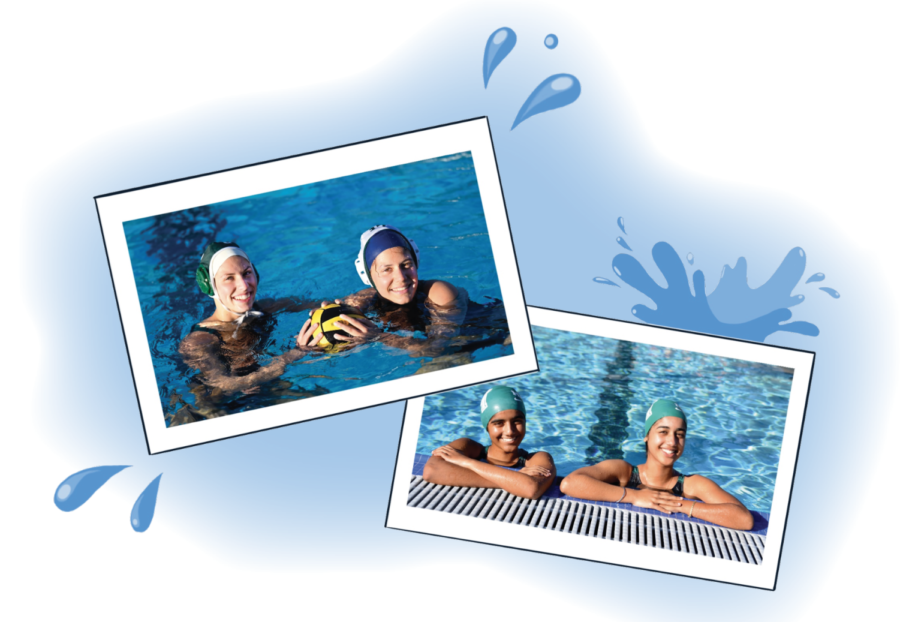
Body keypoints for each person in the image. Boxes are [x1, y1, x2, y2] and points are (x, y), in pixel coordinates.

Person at [176, 241, 377, 411]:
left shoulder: (267, 308)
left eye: (247, 273)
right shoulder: (199, 341)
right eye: (229, 278)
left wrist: (349, 307)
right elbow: (226, 386)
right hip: (223, 407)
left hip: (267, 387)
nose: (244, 285)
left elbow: (338, 302)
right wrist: (295, 354)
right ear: (209, 285)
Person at [559, 399, 754, 530]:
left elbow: (743, 518)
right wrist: (635, 496)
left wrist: (680, 505)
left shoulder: (691, 485)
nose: (672, 442)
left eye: (680, 434)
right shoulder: (624, 472)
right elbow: (570, 483)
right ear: (646, 436)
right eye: (663, 431)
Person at [334, 225, 508, 364]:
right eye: (387, 269)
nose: (401, 278)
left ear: (416, 262)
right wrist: (308, 345)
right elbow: (327, 312)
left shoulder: (439, 292)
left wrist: (379, 336)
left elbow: (436, 348)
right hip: (460, 349)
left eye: (406, 265)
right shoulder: (364, 298)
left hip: (500, 332)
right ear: (368, 276)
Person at [422, 386, 556, 500]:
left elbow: (531, 489)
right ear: (487, 427)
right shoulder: (468, 446)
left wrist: (467, 463)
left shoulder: (537, 458)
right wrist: (515, 480)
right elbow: (431, 471)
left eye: (517, 421)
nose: (509, 431)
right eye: (499, 423)